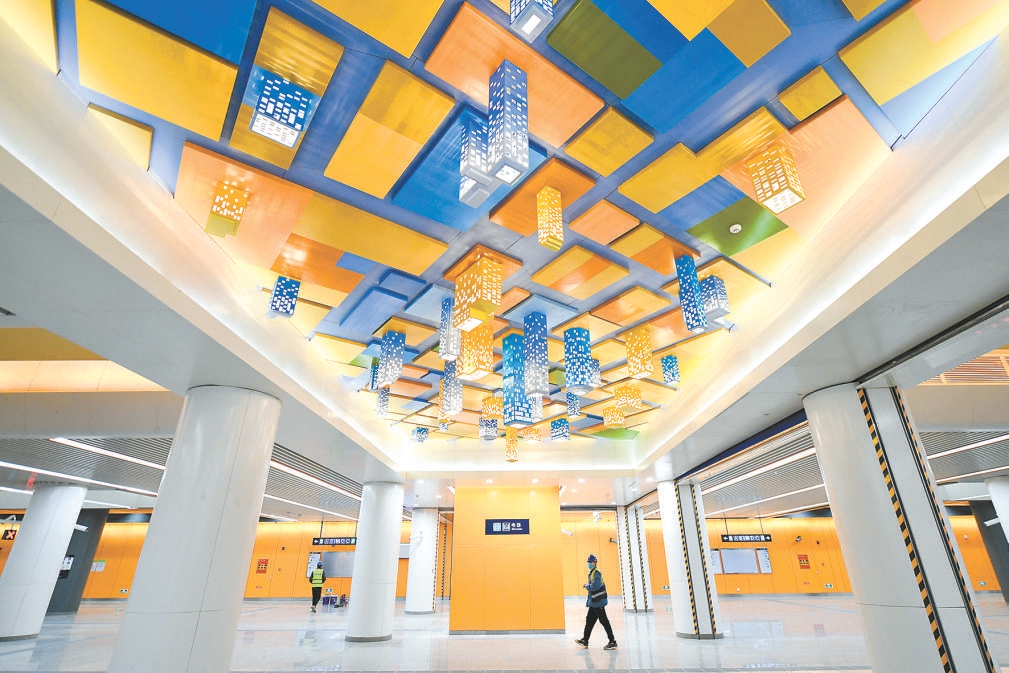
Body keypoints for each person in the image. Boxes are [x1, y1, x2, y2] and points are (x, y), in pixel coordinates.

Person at [575, 553, 617, 650]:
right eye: (588, 562)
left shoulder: (596, 573)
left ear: (595, 563)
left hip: (598, 602)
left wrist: (586, 586)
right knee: (589, 621)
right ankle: (585, 640)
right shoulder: (592, 572)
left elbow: (595, 586)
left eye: (591, 562)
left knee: (604, 622)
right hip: (594, 602)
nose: (589, 564)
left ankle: (612, 641)